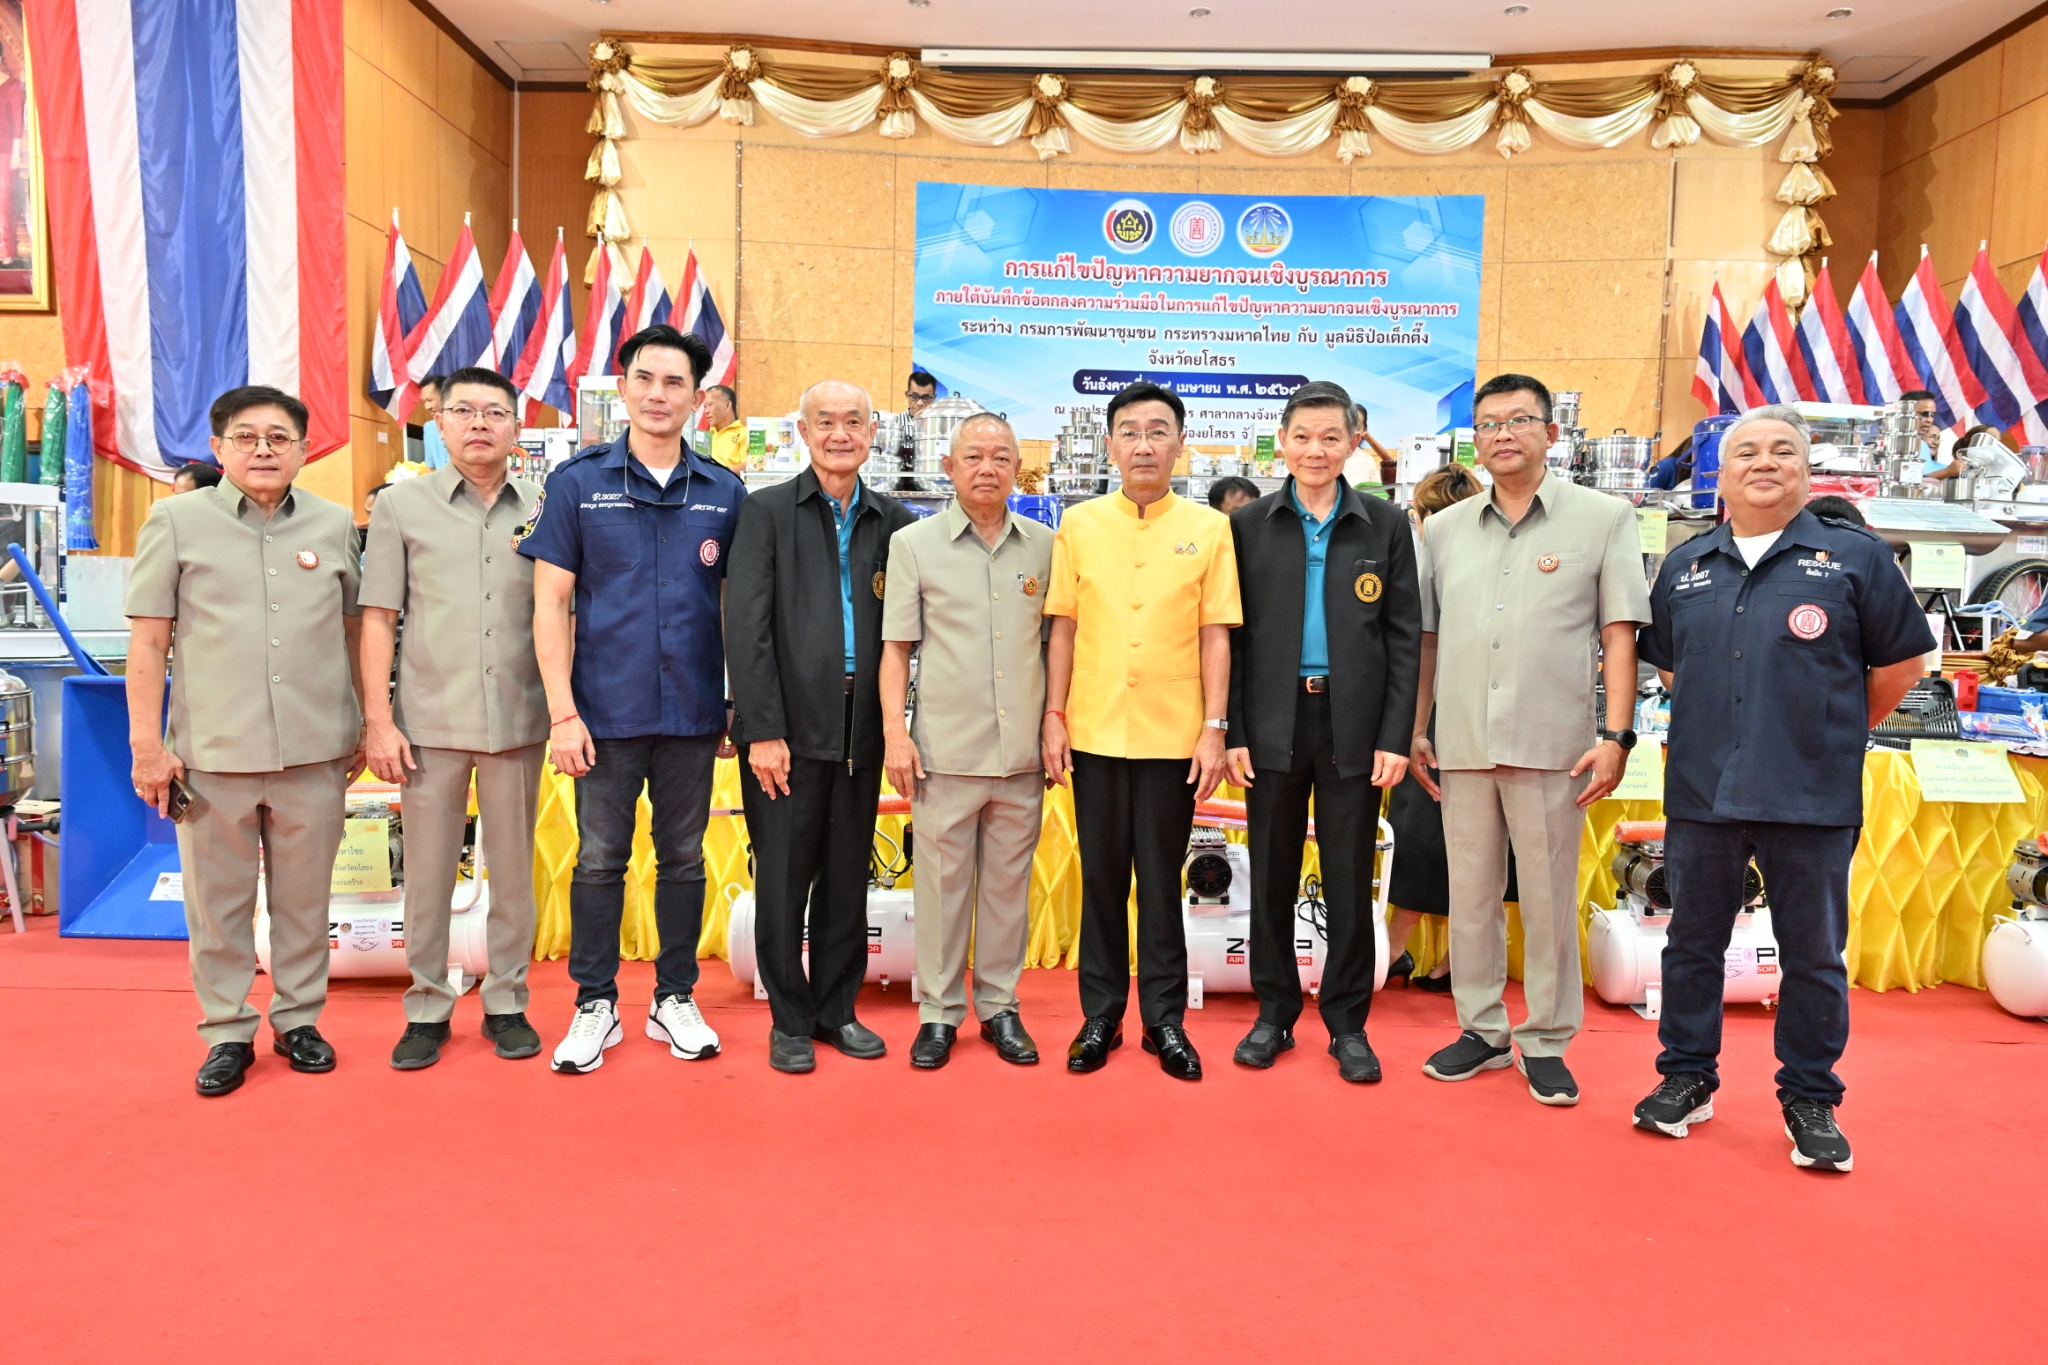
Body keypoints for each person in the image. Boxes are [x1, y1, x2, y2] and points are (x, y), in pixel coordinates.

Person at [1632, 405, 1933, 1172]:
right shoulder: (1686, 564)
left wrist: (1826, 729)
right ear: (1721, 474)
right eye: (1746, 453)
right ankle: (1686, 1077)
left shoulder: (1855, 558)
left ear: (1805, 467)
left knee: (1813, 955)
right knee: (1691, 943)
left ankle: (1810, 1097)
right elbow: (1671, 666)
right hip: (1703, 789)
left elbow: (1901, 667)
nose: (1763, 463)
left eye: (1781, 451)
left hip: (1810, 790)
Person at [1411, 372, 1652, 1106]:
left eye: (1520, 420)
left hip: (1555, 742)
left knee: (1546, 896)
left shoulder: (1604, 517)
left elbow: (1619, 635)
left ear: (1552, 432)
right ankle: (1480, 1029)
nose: (1503, 434)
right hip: (1462, 740)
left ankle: (1545, 1037)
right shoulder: (1444, 529)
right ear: (1475, 440)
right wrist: (1417, 726)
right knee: (1472, 892)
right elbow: (1426, 638)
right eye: (1489, 424)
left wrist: (1616, 733)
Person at [125, 385, 365, 1098]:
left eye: (279, 437)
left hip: (313, 751)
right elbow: (148, 640)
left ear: (302, 448)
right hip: (212, 755)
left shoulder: (332, 524)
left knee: (304, 899)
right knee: (219, 906)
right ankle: (227, 1029)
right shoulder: (173, 522)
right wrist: (147, 744)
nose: (264, 449)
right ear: (220, 446)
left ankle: (298, 1020)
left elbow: (355, 631)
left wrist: (359, 719)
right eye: (247, 436)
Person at [519, 324, 745, 1074]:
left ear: (698, 399)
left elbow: (736, 608)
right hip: (602, 716)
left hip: (690, 716)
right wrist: (561, 712)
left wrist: (734, 701)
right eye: (645, 379)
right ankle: (595, 1003)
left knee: (682, 858)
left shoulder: (724, 492)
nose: (658, 394)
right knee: (599, 860)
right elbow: (550, 604)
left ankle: (673, 996)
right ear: (623, 390)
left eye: (674, 383)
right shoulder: (578, 484)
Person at [1222, 380, 1420, 1083]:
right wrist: (1234, 729)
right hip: (1271, 724)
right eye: (1301, 437)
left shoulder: (1385, 523)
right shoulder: (1247, 527)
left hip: (1354, 727)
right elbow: (1232, 641)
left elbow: (1403, 640)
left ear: (1353, 442)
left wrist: (1396, 735)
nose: (1315, 449)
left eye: (1330, 437)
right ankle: (1273, 1013)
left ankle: (1347, 1023)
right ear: (1282, 442)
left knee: (1348, 879)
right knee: (1271, 875)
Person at [1044, 380, 1241, 1080]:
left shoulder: (1211, 529)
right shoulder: (1079, 524)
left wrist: (1214, 726)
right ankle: (1100, 1016)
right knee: (1101, 880)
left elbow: (1217, 635)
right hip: (1094, 731)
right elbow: (1062, 627)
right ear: (1109, 445)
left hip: (1173, 738)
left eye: (1159, 431)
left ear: (1180, 444)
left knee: (1161, 881)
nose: (1145, 445)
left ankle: (1164, 1021)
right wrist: (1054, 715)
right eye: (1130, 431)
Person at [360, 367, 548, 1070]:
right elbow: (378, 618)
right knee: (431, 872)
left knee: (513, 871)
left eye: (494, 413)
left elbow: (561, 615)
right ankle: (428, 1004)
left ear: (516, 428)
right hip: (428, 724)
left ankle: (507, 999)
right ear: (438, 424)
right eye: (463, 411)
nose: (478, 424)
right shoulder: (402, 508)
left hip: (519, 720)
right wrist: (379, 720)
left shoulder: (546, 505)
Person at [729, 380, 916, 1074]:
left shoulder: (894, 520)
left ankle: (838, 1008)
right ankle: (790, 1017)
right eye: (826, 422)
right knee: (783, 878)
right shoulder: (766, 511)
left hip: (861, 728)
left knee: (846, 878)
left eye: (854, 422)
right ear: (802, 432)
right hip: (788, 729)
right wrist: (763, 729)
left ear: (874, 432)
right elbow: (745, 629)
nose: (841, 434)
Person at [880, 413, 1052, 1070]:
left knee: (1008, 890)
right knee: (944, 888)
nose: (988, 467)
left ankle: (1001, 1007)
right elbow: (896, 650)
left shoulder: (1043, 545)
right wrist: (897, 732)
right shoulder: (915, 544)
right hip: (944, 753)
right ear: (948, 467)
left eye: (1001, 457)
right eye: (973, 455)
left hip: (1020, 757)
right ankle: (938, 1012)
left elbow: (1053, 645)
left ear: (1018, 469)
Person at [1384, 463, 1489, 995]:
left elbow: (1421, 646)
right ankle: (1450, 960)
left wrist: (1414, 721)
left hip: (1440, 715)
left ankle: (1394, 948)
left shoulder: (1435, 563)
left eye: (1418, 515)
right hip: (1455, 715)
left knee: (1420, 838)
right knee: (1465, 846)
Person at [1902, 390, 1963, 482]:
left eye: (1933, 415)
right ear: (1906, 412)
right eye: (1924, 414)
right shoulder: (1899, 443)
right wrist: (1948, 472)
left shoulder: (1921, 444)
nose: (1930, 420)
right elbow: (1910, 482)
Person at [701, 384, 745, 472]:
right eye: (705, 407)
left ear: (727, 405)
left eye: (710, 405)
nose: (706, 411)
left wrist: (719, 474)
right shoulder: (705, 437)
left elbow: (749, 466)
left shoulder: (745, 434)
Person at [1354, 402, 1397, 486]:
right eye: (1347, 425)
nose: (1351, 431)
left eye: (1357, 427)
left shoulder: (1367, 460)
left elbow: (1376, 493)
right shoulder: (1329, 455)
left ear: (1365, 429)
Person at [415, 375, 450, 469]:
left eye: (430, 400)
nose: (427, 407)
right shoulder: (429, 428)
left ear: (445, 396)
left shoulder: (464, 423)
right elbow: (431, 468)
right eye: (424, 402)